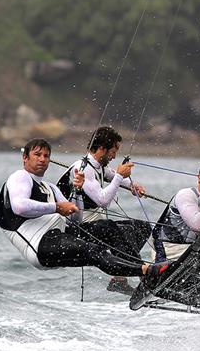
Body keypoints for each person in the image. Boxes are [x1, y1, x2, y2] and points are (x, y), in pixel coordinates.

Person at [0, 138, 173, 285]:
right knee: (94, 250)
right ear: (25, 158)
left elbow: (75, 218)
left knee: (107, 227)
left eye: (46, 156)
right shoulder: (20, 177)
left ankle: (138, 278)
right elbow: (19, 207)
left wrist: (78, 191)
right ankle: (147, 271)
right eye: (37, 155)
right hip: (40, 244)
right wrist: (56, 207)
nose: (42, 159)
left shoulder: (50, 187)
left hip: (60, 232)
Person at [57, 126, 152, 295]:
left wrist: (132, 185)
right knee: (110, 228)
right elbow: (103, 200)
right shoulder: (83, 168)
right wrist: (119, 176)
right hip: (73, 228)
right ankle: (145, 277)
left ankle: (119, 279)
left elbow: (112, 175)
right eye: (113, 151)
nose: (115, 156)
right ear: (102, 148)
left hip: (92, 224)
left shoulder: (99, 166)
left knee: (142, 227)